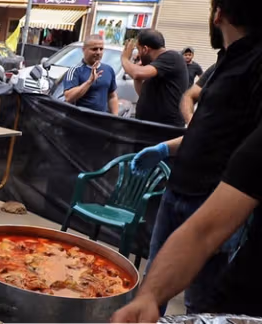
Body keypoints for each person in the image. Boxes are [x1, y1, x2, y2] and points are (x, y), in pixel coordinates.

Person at [111, 0, 262, 321]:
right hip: (177, 190)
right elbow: (203, 127)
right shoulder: (224, 61)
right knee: (156, 274)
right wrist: (165, 149)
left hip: (214, 201)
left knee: (202, 300)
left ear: (218, 13)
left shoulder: (256, 63)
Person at [121, 30, 188, 127]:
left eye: (138, 49)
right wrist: (138, 68)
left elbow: (136, 73)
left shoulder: (172, 57)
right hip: (148, 126)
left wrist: (124, 58)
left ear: (145, 49)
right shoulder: (155, 66)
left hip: (164, 129)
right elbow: (142, 93)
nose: (138, 54)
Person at [63, 35, 119, 115]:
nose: (98, 52)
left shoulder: (108, 70)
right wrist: (89, 82)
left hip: (101, 121)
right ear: (84, 50)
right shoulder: (75, 71)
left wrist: (115, 117)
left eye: (101, 49)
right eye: (94, 49)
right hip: (81, 121)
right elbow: (69, 97)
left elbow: (112, 96)